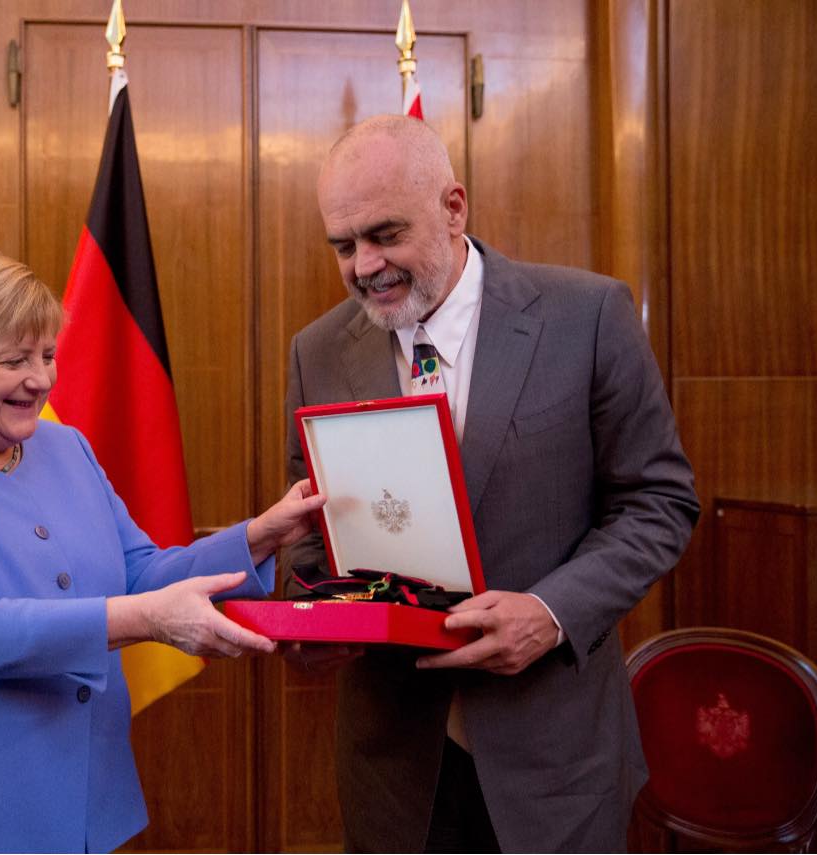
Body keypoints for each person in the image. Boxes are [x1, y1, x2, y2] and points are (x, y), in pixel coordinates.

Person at [0, 244, 325, 853]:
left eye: (48, 355)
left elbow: (139, 573)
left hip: (78, 793)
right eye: (14, 360)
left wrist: (260, 535)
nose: (42, 379)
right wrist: (144, 619)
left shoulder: (66, 447)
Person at [282, 115, 700, 852]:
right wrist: (313, 618)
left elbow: (659, 502)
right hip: (395, 773)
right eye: (343, 246)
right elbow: (313, 527)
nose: (365, 265)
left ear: (453, 207)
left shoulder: (587, 316)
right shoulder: (316, 350)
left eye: (385, 234)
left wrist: (551, 610)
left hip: (556, 759)